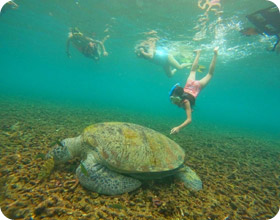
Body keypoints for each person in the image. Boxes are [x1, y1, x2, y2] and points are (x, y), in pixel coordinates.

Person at [169, 47, 218, 134]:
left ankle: (214, 54)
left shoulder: (185, 102)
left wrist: (179, 128)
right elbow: (175, 90)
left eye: (175, 100)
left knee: (210, 74)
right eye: (172, 99)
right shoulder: (179, 96)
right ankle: (199, 53)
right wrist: (188, 108)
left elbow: (189, 120)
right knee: (193, 70)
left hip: (197, 87)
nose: (173, 102)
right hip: (189, 84)